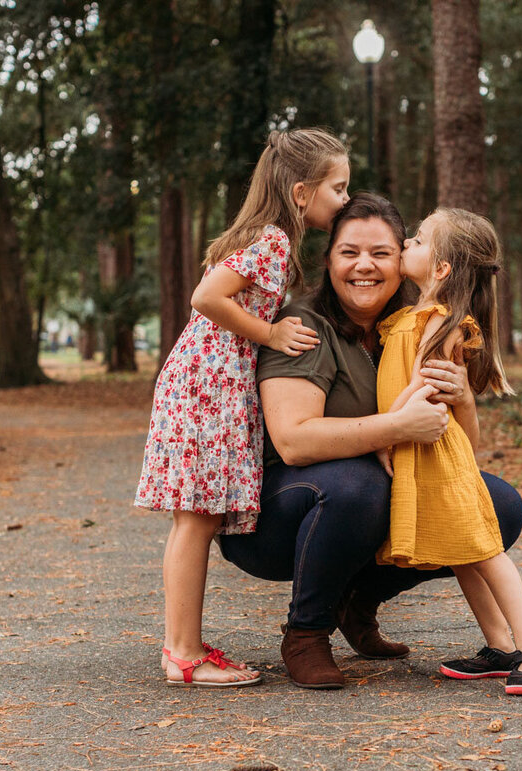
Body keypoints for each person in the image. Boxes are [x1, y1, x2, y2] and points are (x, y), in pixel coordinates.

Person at [216, 194, 522, 689]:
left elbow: (460, 453)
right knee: (361, 485)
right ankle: (306, 632)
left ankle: (357, 600)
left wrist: (464, 399)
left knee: (498, 504)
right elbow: (293, 442)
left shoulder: (420, 325)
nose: (365, 265)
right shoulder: (303, 327)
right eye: (349, 252)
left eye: (381, 253)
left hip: (366, 501)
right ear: (329, 260)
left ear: (404, 261)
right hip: (276, 517)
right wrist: (394, 429)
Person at [134, 128, 350, 687]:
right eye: (339, 188)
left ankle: (184, 645)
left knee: (196, 518)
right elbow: (205, 298)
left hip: (209, 380)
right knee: (197, 518)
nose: (346, 200)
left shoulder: (266, 235)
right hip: (209, 382)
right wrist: (270, 333)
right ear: (302, 193)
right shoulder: (275, 239)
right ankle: (182, 653)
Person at [378, 208, 522, 695]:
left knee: (485, 552)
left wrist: (386, 434)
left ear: (442, 268)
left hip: (438, 450)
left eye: (418, 239)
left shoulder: (438, 320)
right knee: (463, 556)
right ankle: (499, 647)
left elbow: (422, 385)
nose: (405, 242)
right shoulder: (410, 317)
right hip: (420, 447)